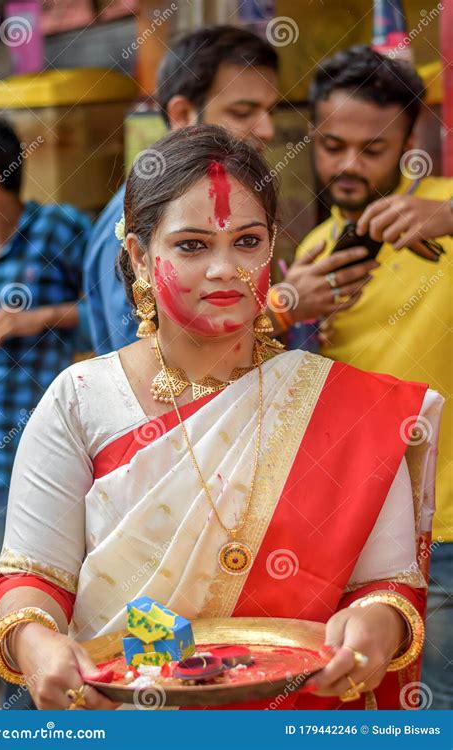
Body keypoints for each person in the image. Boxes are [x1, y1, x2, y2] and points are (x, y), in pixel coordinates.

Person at [0, 126, 443, 711]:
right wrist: (37, 645)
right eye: (193, 246)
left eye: (248, 242)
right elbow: (35, 581)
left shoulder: (343, 405)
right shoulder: (79, 400)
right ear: (139, 258)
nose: (226, 269)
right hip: (124, 717)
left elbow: (386, 585)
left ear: (273, 247)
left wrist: (377, 626)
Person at [282, 46, 452, 708]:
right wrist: (292, 312)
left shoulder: (440, 210)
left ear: (412, 141)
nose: (349, 165)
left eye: (372, 148)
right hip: (365, 535)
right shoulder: (318, 249)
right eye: (332, 145)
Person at [84, 25, 375, 355]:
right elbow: (151, 361)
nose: (266, 130)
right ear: (182, 113)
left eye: (249, 241)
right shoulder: (131, 221)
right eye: (243, 112)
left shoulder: (238, 202)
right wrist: (284, 307)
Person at [0, 113, 91, 705]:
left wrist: (36, 318)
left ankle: (26, 727)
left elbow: (117, 304)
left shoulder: (58, 230)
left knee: (26, 618)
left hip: (26, 471)